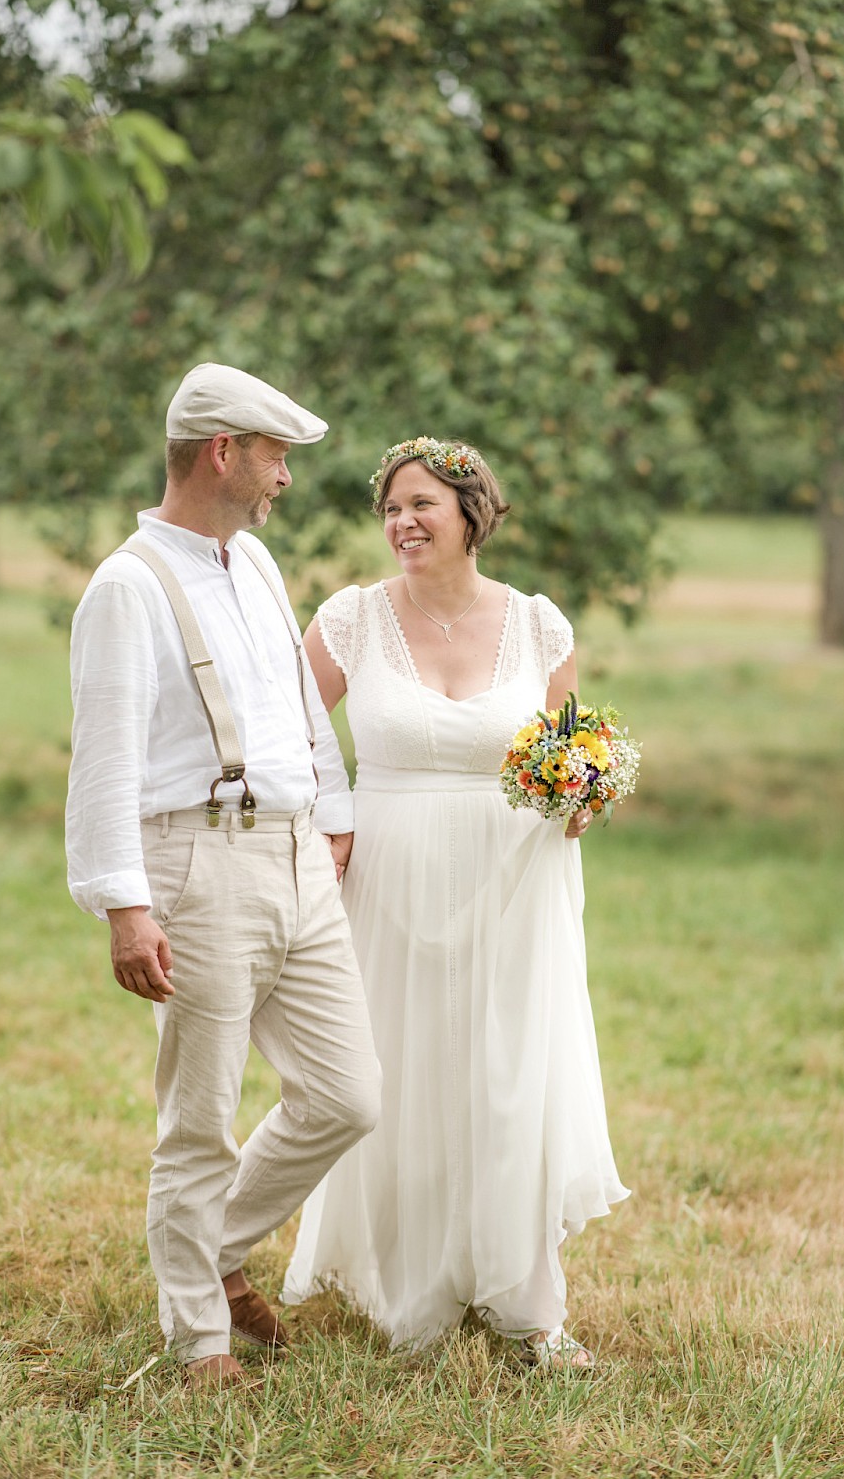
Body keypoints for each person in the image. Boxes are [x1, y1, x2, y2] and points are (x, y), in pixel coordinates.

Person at [65, 363, 381, 1387]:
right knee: (198, 1112)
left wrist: (330, 816)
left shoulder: (255, 564)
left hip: (293, 854)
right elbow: (105, 755)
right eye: (275, 455)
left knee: (347, 1094)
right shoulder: (127, 584)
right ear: (221, 452)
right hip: (194, 861)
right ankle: (198, 1332)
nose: (283, 476)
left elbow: (298, 708)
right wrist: (124, 904)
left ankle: (214, 1251)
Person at [283, 437, 629, 1369]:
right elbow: (290, 733)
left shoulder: (538, 624)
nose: (402, 522)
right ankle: (413, 1292)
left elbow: (570, 750)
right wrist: (334, 814)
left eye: (421, 504)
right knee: (399, 1072)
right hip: (388, 874)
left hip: (513, 877)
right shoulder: (350, 619)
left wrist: (583, 791)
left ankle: (523, 1300)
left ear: (472, 513)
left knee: (506, 1071)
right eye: (391, 507)